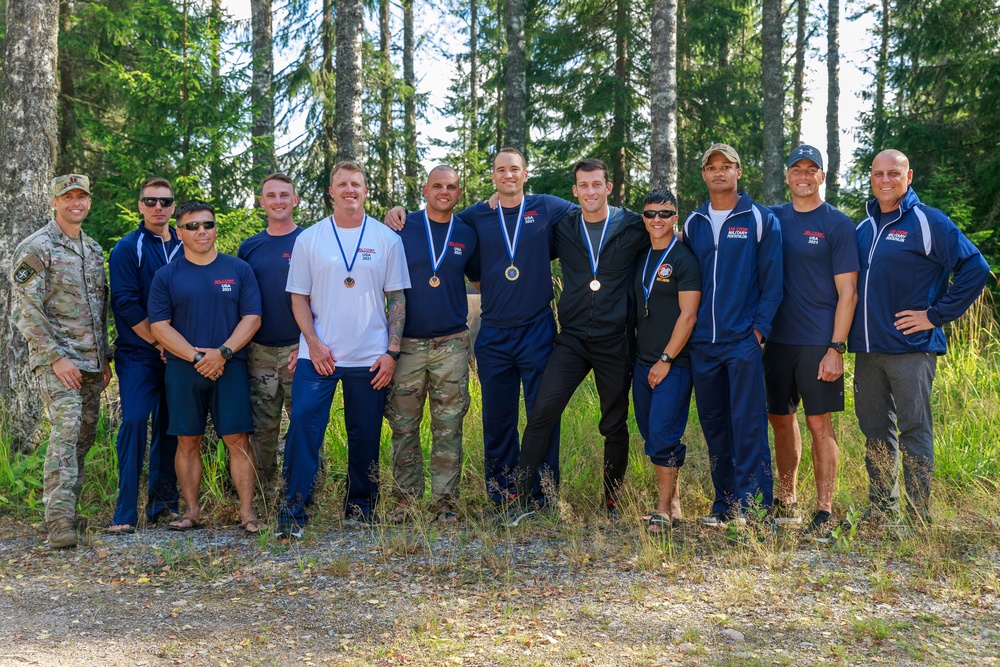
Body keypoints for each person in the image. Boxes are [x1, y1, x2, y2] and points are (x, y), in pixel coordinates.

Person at [385, 148, 575, 508]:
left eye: (514, 169)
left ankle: (544, 495)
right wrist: (393, 211)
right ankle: (503, 495)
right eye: (501, 170)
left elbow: (591, 211)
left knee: (543, 414)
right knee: (498, 420)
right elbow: (463, 258)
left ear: (525, 173)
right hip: (494, 334)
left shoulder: (546, 207)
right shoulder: (475, 217)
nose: (508, 175)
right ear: (492, 177)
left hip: (537, 330)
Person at [849, 149, 989, 526]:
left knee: (913, 429)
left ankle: (917, 516)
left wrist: (935, 316)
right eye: (878, 174)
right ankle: (882, 510)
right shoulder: (862, 229)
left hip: (911, 349)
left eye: (893, 173)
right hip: (867, 351)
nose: (885, 180)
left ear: (909, 177)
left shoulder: (928, 222)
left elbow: (975, 268)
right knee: (875, 431)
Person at [508, 158, 648, 523]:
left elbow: (667, 237)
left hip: (615, 340)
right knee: (541, 412)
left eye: (596, 184)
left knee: (614, 424)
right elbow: (520, 225)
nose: (590, 192)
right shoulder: (564, 226)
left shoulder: (632, 225)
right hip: (571, 340)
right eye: (583, 185)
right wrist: (497, 200)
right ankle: (522, 499)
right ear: (575, 191)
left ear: (608, 187)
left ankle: (612, 503)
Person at [279, 161, 410, 536]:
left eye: (356, 184)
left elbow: (397, 299)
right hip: (317, 356)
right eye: (342, 184)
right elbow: (299, 299)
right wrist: (314, 343)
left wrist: (392, 352)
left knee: (365, 434)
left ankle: (361, 509)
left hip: (370, 357)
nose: (349, 189)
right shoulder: (310, 239)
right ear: (331, 192)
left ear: (366, 191)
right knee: (304, 428)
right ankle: (293, 514)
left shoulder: (387, 239)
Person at [682, 143, 783, 527]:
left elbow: (773, 284)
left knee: (749, 424)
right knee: (715, 425)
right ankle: (725, 507)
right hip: (702, 345)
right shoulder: (694, 223)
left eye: (727, 166)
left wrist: (757, 333)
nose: (719, 172)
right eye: (712, 167)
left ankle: (757, 511)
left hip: (742, 342)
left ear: (739, 171)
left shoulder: (759, 218)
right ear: (704, 175)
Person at [10, 174, 112, 549]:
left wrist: (103, 359)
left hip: (90, 363)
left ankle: (69, 510)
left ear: (88, 202)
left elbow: (98, 307)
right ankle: (57, 522)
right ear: (54, 202)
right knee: (65, 433)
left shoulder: (93, 249)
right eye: (67, 197)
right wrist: (56, 358)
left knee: (84, 438)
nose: (75, 203)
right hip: (58, 363)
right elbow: (24, 310)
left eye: (81, 197)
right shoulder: (37, 247)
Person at [148, 200, 262, 533]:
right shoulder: (166, 275)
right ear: (179, 231)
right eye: (193, 226)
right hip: (185, 369)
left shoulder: (238, 269)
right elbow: (159, 326)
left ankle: (247, 514)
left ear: (216, 228)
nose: (202, 231)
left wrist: (222, 353)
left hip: (231, 366)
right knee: (187, 440)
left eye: (208, 225)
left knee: (238, 439)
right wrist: (198, 357)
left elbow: (252, 317)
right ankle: (192, 512)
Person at [765, 146, 858, 537]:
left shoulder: (836, 223)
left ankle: (824, 509)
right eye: (796, 169)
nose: (803, 175)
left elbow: (849, 291)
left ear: (822, 176)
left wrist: (836, 349)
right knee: (780, 421)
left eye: (811, 169)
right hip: (776, 341)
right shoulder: (771, 218)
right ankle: (786, 499)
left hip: (819, 341)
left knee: (819, 423)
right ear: (787, 176)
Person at [385, 165, 479, 524]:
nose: (444, 191)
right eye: (437, 185)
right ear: (425, 189)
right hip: (407, 344)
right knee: (403, 425)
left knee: (449, 425)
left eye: (452, 186)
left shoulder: (467, 234)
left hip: (451, 344)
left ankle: (445, 503)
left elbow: (482, 281)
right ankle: (405, 502)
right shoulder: (401, 226)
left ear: (459, 192)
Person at [106, 177, 183, 535]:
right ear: (140, 206)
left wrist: (180, 348)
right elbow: (125, 304)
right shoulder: (128, 247)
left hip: (180, 355)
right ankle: (125, 511)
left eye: (165, 202)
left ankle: (163, 506)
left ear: (172, 207)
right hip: (140, 353)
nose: (158, 208)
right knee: (136, 421)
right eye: (150, 201)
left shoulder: (186, 245)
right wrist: (159, 343)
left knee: (170, 427)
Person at [631, 189, 701, 534]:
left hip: (674, 362)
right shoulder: (642, 255)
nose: (656, 220)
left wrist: (666, 358)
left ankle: (661, 508)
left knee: (662, 433)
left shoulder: (684, 258)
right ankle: (673, 503)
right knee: (649, 432)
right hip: (642, 361)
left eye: (664, 213)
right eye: (650, 214)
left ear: (676, 218)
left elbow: (688, 316)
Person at [237, 173, 304, 493]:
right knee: (262, 431)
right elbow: (239, 301)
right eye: (271, 195)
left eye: (284, 195)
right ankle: (263, 497)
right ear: (262, 202)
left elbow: (324, 299)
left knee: (305, 427)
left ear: (295, 200)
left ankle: (303, 495)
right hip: (259, 353)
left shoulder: (310, 241)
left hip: (301, 351)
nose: (278, 201)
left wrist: (307, 344)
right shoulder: (249, 248)